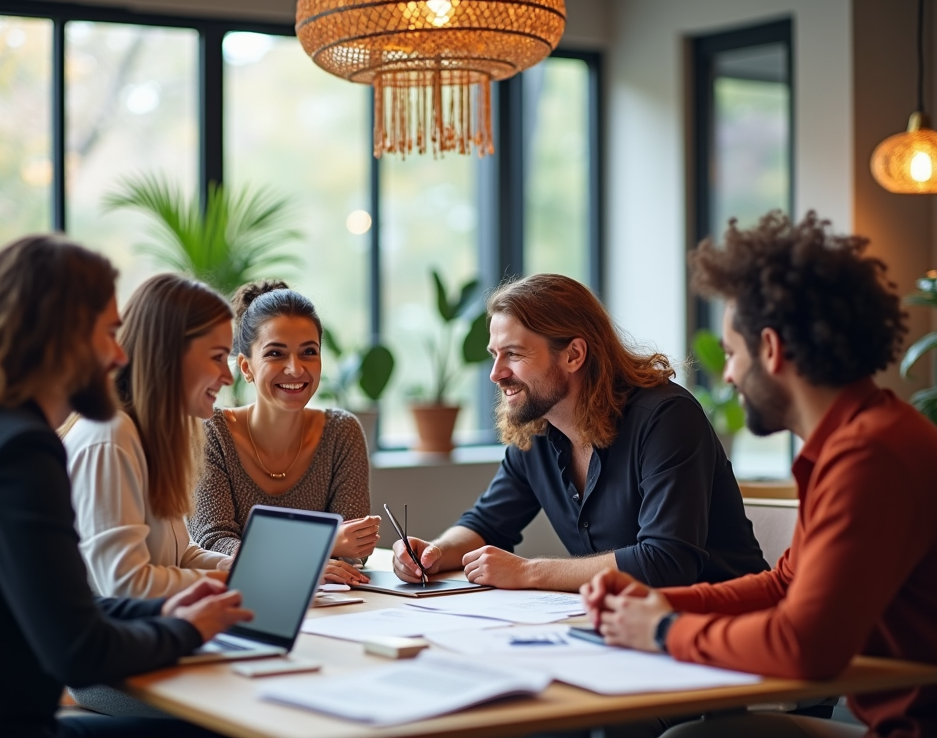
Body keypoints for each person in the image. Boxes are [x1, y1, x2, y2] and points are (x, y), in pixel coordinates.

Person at [581, 212, 937, 738]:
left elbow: (803, 646)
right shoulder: (856, 439)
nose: (726, 373)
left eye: (731, 353)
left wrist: (662, 629)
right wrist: (659, 602)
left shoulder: (870, 455)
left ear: (770, 349)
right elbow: (784, 584)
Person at [0, 235, 251, 738]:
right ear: (60, 337)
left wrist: (163, 608)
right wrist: (184, 629)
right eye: (110, 333)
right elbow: (78, 648)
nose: (120, 356)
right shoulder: (19, 453)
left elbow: (68, 603)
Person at [393, 273, 768, 592]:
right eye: (495, 354)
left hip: (726, 626)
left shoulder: (666, 418)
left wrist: (527, 572)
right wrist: (435, 553)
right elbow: (487, 525)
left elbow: (666, 561)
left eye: (514, 354)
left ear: (573, 355)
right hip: (629, 627)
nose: (496, 373)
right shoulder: (538, 428)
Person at [188, 280, 380, 586]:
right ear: (246, 367)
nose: (295, 369)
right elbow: (213, 542)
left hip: (333, 603)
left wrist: (324, 553)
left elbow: (352, 550)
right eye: (275, 353)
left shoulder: (342, 433)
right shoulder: (211, 434)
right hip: (238, 603)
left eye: (308, 352)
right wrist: (317, 550)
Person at [65, 274, 234, 599]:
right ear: (168, 354)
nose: (227, 376)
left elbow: (180, 556)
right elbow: (126, 583)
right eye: (216, 357)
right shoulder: (110, 437)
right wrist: (236, 584)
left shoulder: (149, 436)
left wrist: (239, 569)